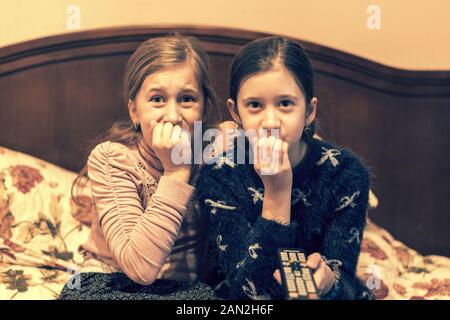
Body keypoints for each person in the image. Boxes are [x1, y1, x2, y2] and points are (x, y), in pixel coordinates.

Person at [195, 36, 374, 300]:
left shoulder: (345, 174)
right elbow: (248, 296)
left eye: (285, 104)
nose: (270, 121)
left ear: (309, 111)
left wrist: (328, 284)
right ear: (235, 113)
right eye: (255, 105)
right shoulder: (219, 176)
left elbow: (344, 281)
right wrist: (277, 196)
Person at [59, 34, 221, 299]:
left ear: (204, 109)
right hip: (109, 284)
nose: (172, 116)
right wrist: (176, 172)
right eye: (157, 99)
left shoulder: (213, 156)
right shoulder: (112, 159)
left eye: (187, 99)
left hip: (181, 292)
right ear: (135, 111)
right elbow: (139, 268)